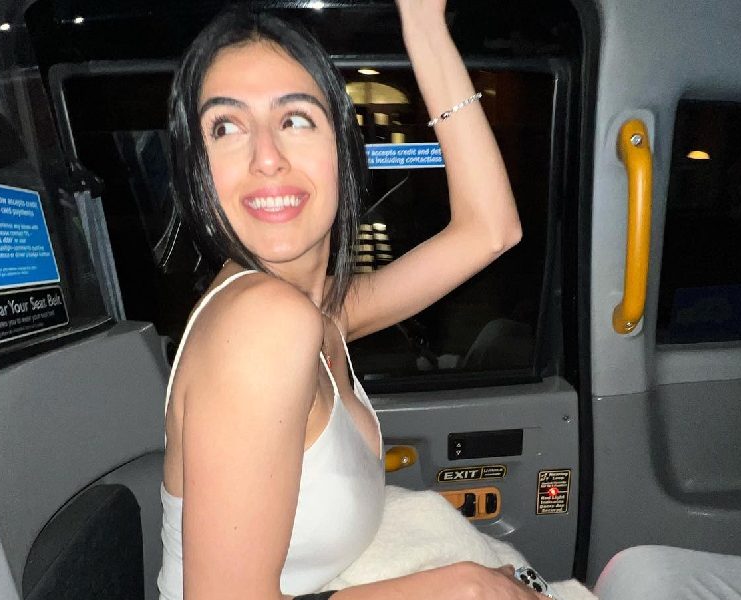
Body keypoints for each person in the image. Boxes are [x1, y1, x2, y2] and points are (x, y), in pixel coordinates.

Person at [159, 2, 529, 598]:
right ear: (197, 169)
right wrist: (462, 587)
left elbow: (491, 229)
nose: (266, 158)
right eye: (225, 127)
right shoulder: (261, 323)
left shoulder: (321, 310)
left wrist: (425, 25)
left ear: (342, 149)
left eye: (295, 119)